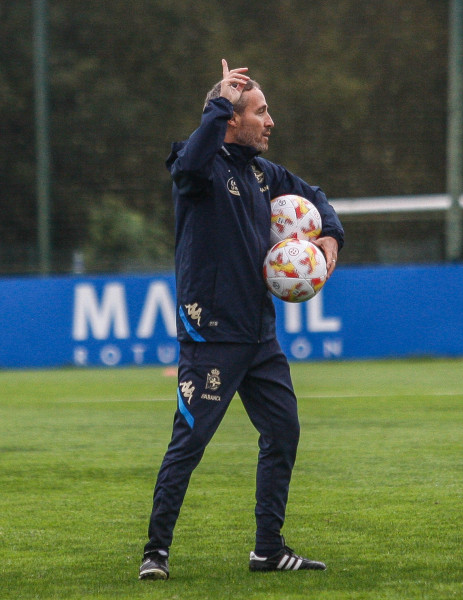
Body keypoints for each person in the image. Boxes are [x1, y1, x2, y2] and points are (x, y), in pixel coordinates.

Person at [139, 60, 344, 580]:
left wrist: (330, 237)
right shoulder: (198, 166)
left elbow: (315, 196)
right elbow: (186, 167)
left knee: (283, 431)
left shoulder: (260, 172)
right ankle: (155, 554)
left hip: (259, 335)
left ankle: (268, 550)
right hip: (211, 335)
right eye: (261, 110)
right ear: (231, 116)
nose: (271, 120)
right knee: (189, 443)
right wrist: (217, 105)